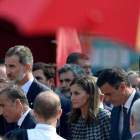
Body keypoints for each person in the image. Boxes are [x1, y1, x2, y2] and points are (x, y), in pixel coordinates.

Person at [5, 46, 71, 138]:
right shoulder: (4, 96)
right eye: (6, 66)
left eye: (12, 66)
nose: (8, 71)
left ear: (27, 67)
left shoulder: (50, 97)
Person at [96, 66, 140, 140]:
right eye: (105, 95)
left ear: (122, 87)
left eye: (109, 94)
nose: (107, 99)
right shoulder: (115, 109)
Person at [32, 62, 71, 138]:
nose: (34, 82)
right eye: (32, 79)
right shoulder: (29, 101)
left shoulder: (66, 104)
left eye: (38, 78)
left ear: (50, 82)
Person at [67, 75, 111, 140]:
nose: (72, 98)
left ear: (90, 94)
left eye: (77, 93)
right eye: (71, 94)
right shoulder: (72, 118)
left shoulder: (105, 117)